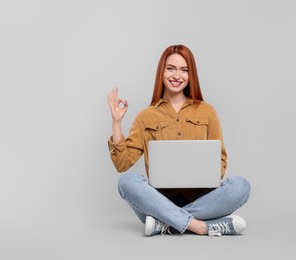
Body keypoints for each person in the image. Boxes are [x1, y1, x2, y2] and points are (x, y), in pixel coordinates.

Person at [107, 44, 251, 237]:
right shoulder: (146, 116)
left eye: (184, 70)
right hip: (159, 200)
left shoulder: (207, 112)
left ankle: (166, 224)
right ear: (161, 71)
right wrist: (117, 123)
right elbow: (122, 163)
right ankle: (200, 227)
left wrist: (204, 172)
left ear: (191, 75)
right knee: (126, 181)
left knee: (241, 186)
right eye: (171, 68)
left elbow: (221, 161)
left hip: (203, 200)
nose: (177, 75)